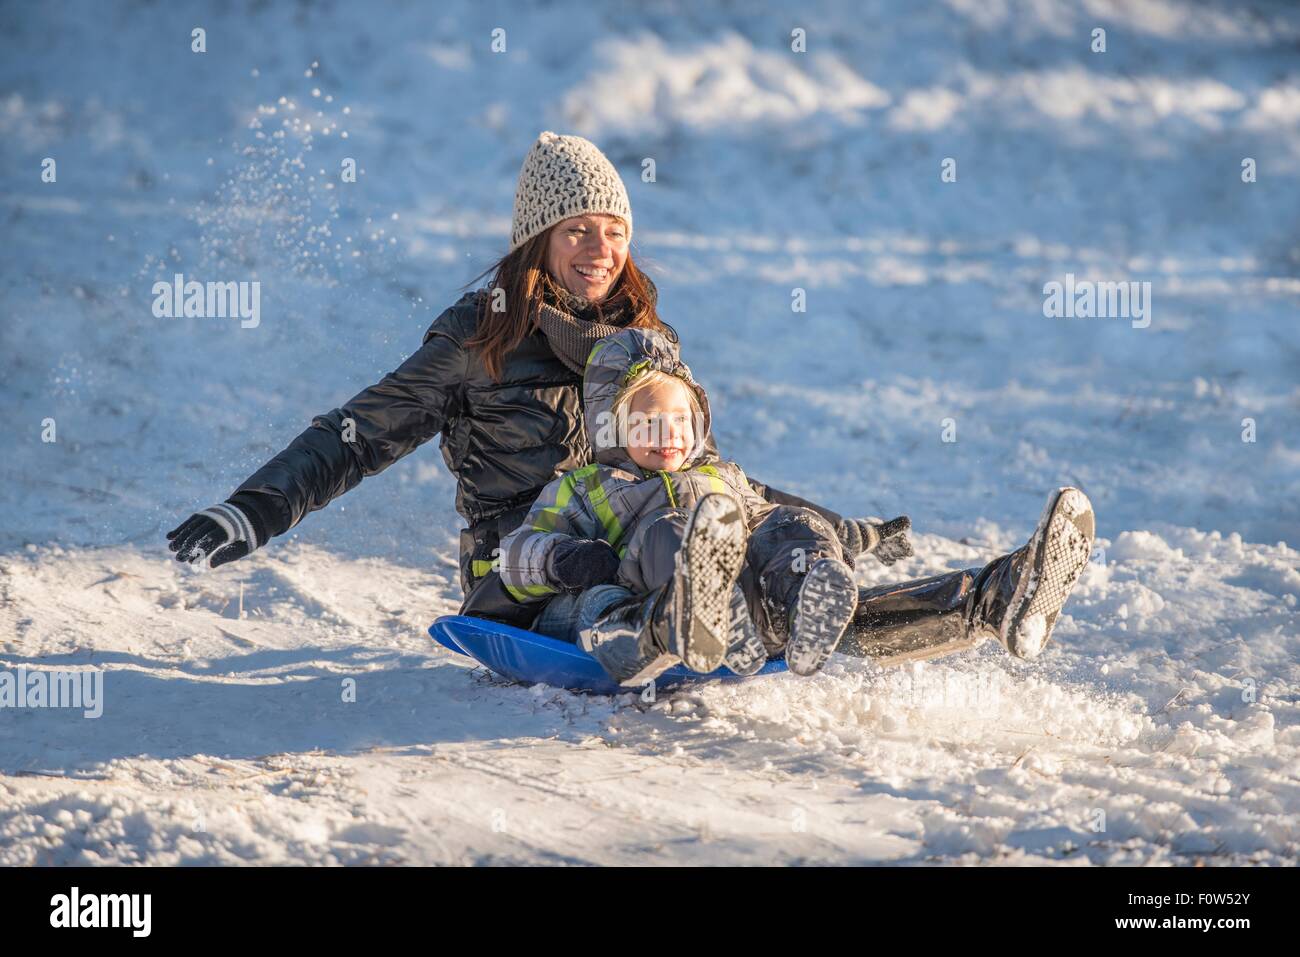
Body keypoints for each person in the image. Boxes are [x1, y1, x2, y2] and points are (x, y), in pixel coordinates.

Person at [166, 129, 1096, 672]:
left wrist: (831, 527)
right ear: (537, 241)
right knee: (670, 576)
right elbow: (356, 434)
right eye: (578, 230)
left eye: (614, 230)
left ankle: (990, 601)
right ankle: (692, 615)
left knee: (785, 575)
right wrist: (251, 509)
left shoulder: (643, 337)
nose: (599, 248)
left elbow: (702, 469)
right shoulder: (477, 339)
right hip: (543, 569)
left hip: (667, 530)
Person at [497, 326, 911, 685]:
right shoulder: (586, 488)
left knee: (791, 522)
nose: (670, 433)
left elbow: (770, 523)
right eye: (649, 422)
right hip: (648, 607)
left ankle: (801, 609)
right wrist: (561, 559)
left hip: (748, 612)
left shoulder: (720, 476)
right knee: (669, 530)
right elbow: (514, 555)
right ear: (614, 426)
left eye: (681, 420)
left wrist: (828, 537)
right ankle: (698, 615)